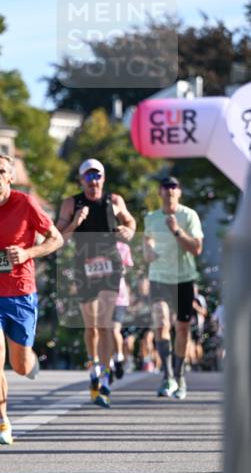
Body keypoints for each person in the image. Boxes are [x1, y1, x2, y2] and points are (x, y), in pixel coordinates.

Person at [0, 154, 63, 444]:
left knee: (19, 365)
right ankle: (3, 422)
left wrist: (28, 253)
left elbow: (57, 239)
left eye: (1, 171)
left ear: (10, 177)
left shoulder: (25, 203)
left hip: (21, 293)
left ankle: (29, 363)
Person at [56, 158, 136, 408]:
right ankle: (93, 368)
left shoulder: (114, 201)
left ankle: (104, 381)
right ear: (81, 180)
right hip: (84, 266)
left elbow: (131, 222)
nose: (94, 182)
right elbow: (58, 237)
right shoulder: (71, 203)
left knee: (105, 324)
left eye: (97, 176)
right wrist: (76, 223)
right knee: (90, 327)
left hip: (111, 265)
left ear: (103, 178)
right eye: (89, 177)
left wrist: (129, 231)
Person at [143, 176, 204, 400]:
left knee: (182, 329)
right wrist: (147, 251)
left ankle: (179, 377)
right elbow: (147, 243)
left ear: (179, 192)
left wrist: (177, 230)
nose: (169, 191)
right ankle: (167, 376)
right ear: (159, 192)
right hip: (159, 277)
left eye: (174, 187)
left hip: (183, 278)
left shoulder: (189, 216)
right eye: (165, 187)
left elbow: (197, 249)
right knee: (160, 324)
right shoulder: (151, 218)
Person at [111, 240, 133, 379]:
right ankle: (109, 363)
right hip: (101, 295)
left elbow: (128, 270)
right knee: (104, 331)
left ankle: (118, 358)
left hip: (119, 296)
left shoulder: (123, 247)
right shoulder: (95, 246)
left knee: (114, 330)